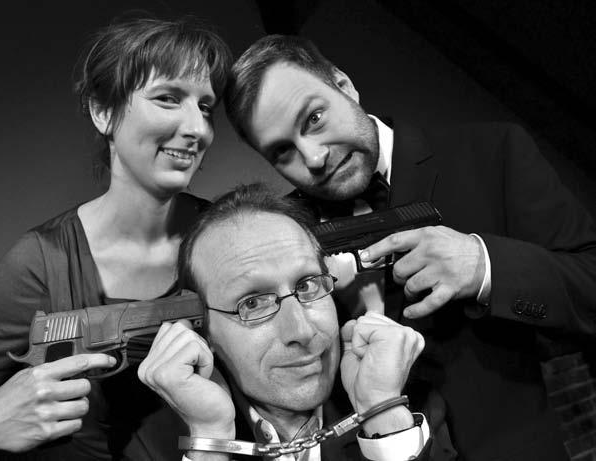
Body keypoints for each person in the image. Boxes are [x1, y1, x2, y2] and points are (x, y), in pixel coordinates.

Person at [223, 35, 596, 460]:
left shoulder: (493, 152)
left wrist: (484, 265)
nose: (313, 157)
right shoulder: (279, 234)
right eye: (282, 152)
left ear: (344, 85)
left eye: (314, 118)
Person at [0, 16, 231, 459]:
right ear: (103, 112)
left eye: (205, 107)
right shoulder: (40, 264)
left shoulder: (229, 234)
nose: (198, 128)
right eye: (168, 98)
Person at [138, 183, 432, 461]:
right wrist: (210, 440)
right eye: (252, 303)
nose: (302, 331)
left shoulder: (405, 401)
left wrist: (383, 414)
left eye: (307, 285)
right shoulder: (149, 446)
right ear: (203, 331)